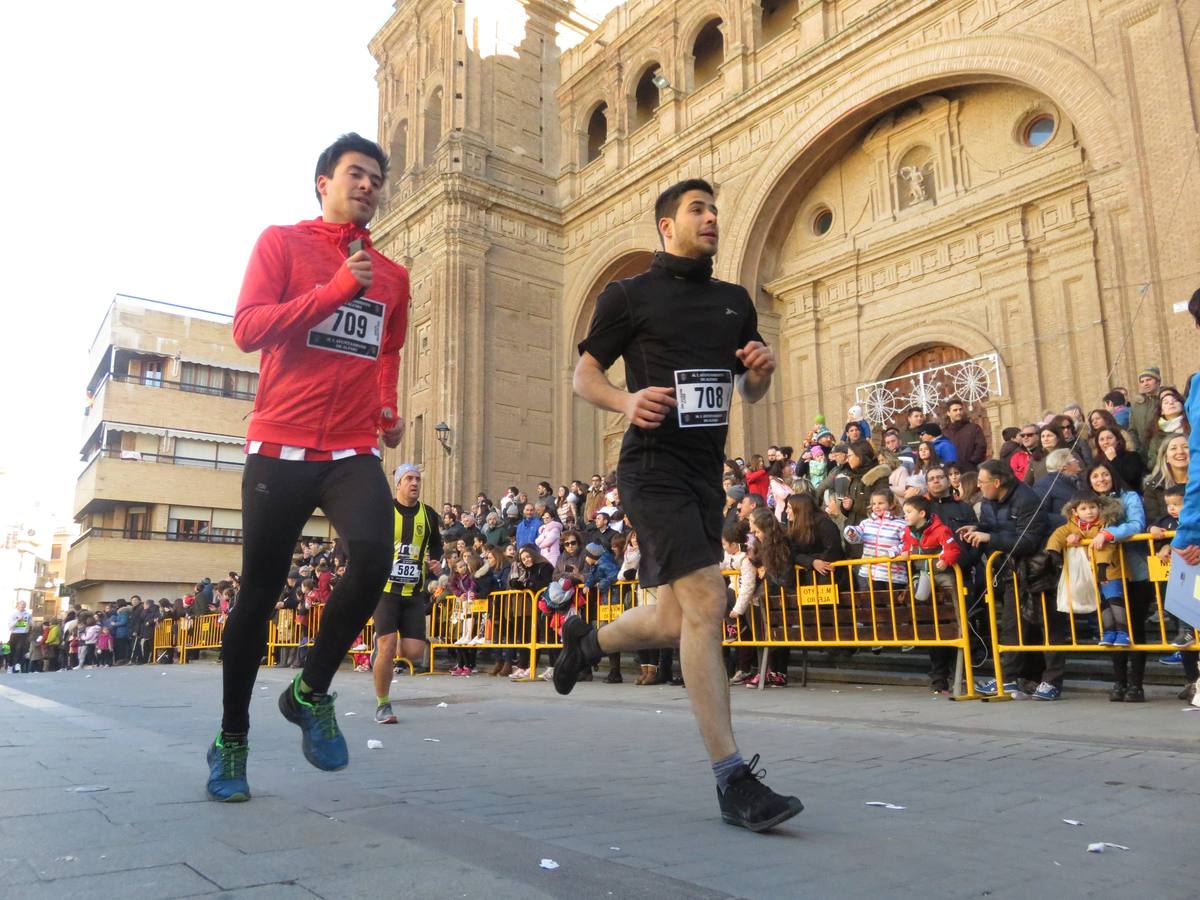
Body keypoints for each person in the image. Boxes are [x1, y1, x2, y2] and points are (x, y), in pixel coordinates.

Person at [565, 178, 802, 832]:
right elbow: (584, 374)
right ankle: (734, 781)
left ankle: (586, 646)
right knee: (708, 600)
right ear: (667, 225)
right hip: (651, 468)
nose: (713, 218)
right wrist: (624, 400)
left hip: (705, 476)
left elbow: (747, 392)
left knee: (674, 620)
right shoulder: (628, 295)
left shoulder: (733, 302)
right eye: (699, 209)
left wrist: (758, 373)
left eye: (715, 209)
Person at [207, 134, 409, 803]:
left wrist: (386, 407)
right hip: (279, 445)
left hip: (351, 448)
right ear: (323, 181)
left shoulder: (395, 277)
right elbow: (249, 329)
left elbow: (387, 352)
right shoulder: (280, 244)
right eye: (356, 173)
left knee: (378, 552)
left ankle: (309, 690)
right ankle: (232, 739)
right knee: (259, 595)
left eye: (377, 178)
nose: (368, 185)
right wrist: (334, 289)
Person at [960, 460, 1054, 699]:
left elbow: (1027, 540)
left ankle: (1041, 680)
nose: (979, 487)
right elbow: (994, 527)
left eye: (982, 482)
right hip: (1009, 572)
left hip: (1036, 569)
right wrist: (976, 529)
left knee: (1044, 628)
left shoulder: (1027, 500)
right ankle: (1011, 678)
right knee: (1012, 627)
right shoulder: (989, 503)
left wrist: (988, 537)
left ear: (997, 482)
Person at [372, 464, 442, 723]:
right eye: (409, 479)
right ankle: (383, 705)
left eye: (417, 479)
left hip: (414, 592)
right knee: (388, 645)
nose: (414, 483)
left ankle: (381, 653)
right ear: (398, 483)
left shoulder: (429, 515)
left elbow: (436, 543)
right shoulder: (383, 511)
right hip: (385, 591)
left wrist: (435, 560)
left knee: (413, 652)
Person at [897, 495, 962, 694]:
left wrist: (946, 560)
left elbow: (953, 548)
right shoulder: (908, 532)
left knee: (951, 586)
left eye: (908, 512)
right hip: (922, 573)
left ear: (922, 514)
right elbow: (907, 547)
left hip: (941, 572)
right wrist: (905, 553)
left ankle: (960, 620)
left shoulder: (941, 529)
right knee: (918, 597)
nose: (905, 515)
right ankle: (911, 628)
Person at [1045, 493, 1129, 646]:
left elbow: (1105, 548)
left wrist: (1102, 568)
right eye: (1083, 508)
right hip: (1090, 573)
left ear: (1100, 508)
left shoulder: (1105, 525)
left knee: (1115, 601)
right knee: (1102, 603)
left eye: (1092, 507)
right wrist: (1054, 552)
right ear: (1075, 512)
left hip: (1109, 570)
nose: (1089, 511)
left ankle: (1123, 632)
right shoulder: (1072, 525)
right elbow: (1058, 535)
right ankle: (1109, 632)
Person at [1130, 366, 1163, 459]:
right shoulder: (1137, 404)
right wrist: (1137, 448)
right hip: (1143, 453)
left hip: (1162, 451)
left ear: (1158, 382)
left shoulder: (1166, 400)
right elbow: (1132, 429)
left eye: (1149, 379)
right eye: (1142, 381)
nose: (1145, 383)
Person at [942, 399, 987, 466]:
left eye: (960, 409)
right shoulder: (944, 432)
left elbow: (981, 447)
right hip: (952, 471)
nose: (958, 412)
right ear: (948, 413)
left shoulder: (974, 428)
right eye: (955, 410)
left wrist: (972, 462)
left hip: (971, 469)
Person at [6, 600, 32, 673]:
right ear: (18, 606)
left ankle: (18, 664)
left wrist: (30, 623)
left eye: (24, 605)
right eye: (21, 605)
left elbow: (31, 623)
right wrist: (17, 621)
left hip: (24, 634)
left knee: (21, 649)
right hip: (15, 634)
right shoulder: (13, 614)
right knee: (12, 650)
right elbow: (10, 626)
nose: (22, 607)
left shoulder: (28, 614)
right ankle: (10, 666)